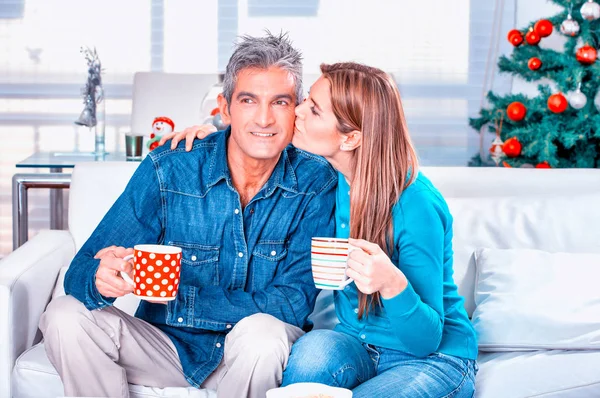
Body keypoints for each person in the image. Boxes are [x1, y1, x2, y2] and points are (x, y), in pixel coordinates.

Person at [38, 32, 337, 398]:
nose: (264, 118)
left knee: (263, 335)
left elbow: (291, 302)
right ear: (225, 108)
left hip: (254, 357)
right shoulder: (172, 168)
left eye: (279, 102)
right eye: (248, 100)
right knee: (64, 316)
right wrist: (101, 278)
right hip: (165, 347)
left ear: (297, 110)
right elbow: (82, 268)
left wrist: (184, 301)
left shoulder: (316, 181)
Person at [162, 62, 479, 397]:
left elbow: (426, 340)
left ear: (351, 138)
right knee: (307, 363)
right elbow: (256, 143)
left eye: (313, 110)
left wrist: (392, 283)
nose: (296, 111)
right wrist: (214, 141)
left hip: (433, 357)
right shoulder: (329, 178)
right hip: (355, 343)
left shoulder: (416, 204)